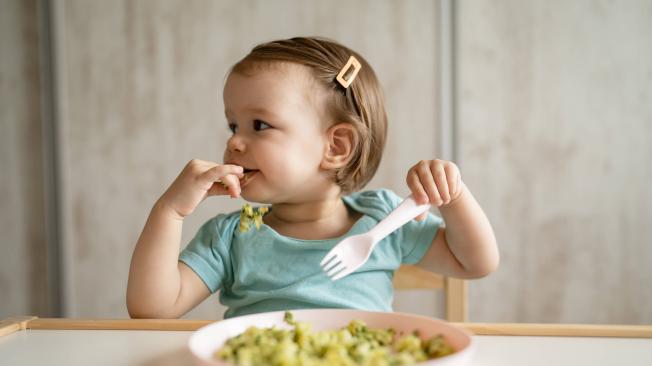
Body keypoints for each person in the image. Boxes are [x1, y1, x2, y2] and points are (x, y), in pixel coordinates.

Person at [126, 37, 498, 319]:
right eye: (233, 124)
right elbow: (152, 310)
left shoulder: (384, 221)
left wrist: (453, 195)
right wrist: (169, 211)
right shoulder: (230, 237)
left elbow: (475, 263)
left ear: (336, 146)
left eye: (259, 125)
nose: (234, 141)